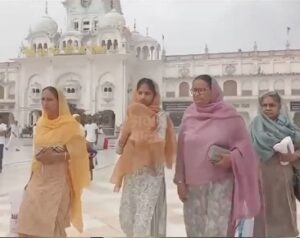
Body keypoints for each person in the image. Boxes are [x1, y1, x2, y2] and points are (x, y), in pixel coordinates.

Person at [174, 74, 260, 237]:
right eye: (194, 90)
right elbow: (181, 151)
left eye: (202, 90)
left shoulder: (230, 116)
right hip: (193, 187)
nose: (197, 94)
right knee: (195, 230)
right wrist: (180, 181)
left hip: (221, 184)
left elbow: (246, 150)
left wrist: (232, 159)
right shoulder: (189, 115)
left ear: (213, 91)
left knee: (217, 230)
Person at [17, 86, 90, 237]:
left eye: (50, 99)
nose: (45, 103)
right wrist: (29, 181)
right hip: (38, 180)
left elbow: (79, 153)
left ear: (59, 102)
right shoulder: (41, 124)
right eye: (42, 99)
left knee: (52, 224)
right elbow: (35, 155)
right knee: (27, 219)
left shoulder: (70, 126)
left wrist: (57, 157)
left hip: (59, 181)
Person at [111, 78, 177, 237]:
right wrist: (123, 137)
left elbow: (158, 144)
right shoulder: (131, 115)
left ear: (154, 95)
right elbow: (119, 149)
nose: (142, 97)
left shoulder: (160, 117)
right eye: (139, 92)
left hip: (151, 176)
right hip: (132, 176)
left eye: (147, 93)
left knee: (146, 223)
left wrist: (137, 140)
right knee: (127, 219)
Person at [250, 91, 300, 237]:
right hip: (260, 177)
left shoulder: (289, 127)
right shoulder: (255, 126)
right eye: (264, 105)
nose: (267, 108)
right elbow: (245, 151)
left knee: (283, 213)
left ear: (279, 107)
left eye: (272, 105)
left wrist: (294, 155)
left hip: (283, 178)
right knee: (261, 217)